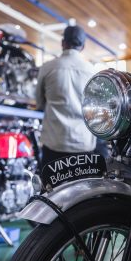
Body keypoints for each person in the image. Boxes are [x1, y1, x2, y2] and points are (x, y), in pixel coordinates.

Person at [36, 25, 96, 171]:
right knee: (83, 191)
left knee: (52, 191)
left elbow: (39, 102)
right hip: (83, 144)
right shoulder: (91, 71)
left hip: (54, 143)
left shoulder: (47, 67)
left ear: (63, 43)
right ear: (83, 46)